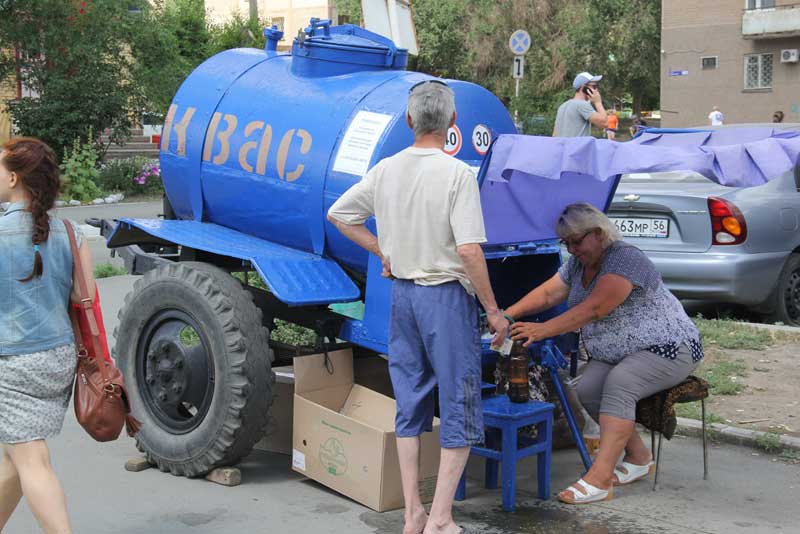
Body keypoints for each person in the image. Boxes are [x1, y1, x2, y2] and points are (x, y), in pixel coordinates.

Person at [327, 81, 510, 534]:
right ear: (452, 125)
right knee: (459, 404)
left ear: (409, 121)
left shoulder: (387, 169)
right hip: (445, 299)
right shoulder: (457, 176)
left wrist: (383, 251)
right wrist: (492, 309)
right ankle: (441, 519)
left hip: (402, 298)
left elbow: (340, 214)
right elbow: (469, 251)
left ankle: (413, 513)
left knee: (409, 403)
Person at [503, 202, 703, 505]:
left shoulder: (626, 258)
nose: (572, 249)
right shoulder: (577, 265)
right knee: (588, 388)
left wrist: (543, 330)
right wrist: (508, 316)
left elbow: (596, 307)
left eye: (576, 241)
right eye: (566, 243)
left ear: (597, 234)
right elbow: (547, 293)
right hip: (620, 351)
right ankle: (638, 457)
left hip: (669, 348)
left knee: (621, 384)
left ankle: (600, 478)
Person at [0, 138, 96, 534]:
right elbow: (84, 297)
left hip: (14, 361)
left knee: (30, 458)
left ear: (12, 178)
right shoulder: (70, 232)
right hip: (58, 358)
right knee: (14, 456)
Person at [553, 71, 608, 137]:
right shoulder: (582, 104)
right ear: (584, 88)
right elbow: (604, 123)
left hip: (562, 147)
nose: (596, 90)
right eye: (594, 86)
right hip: (578, 147)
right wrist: (598, 102)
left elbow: (554, 134)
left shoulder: (562, 106)